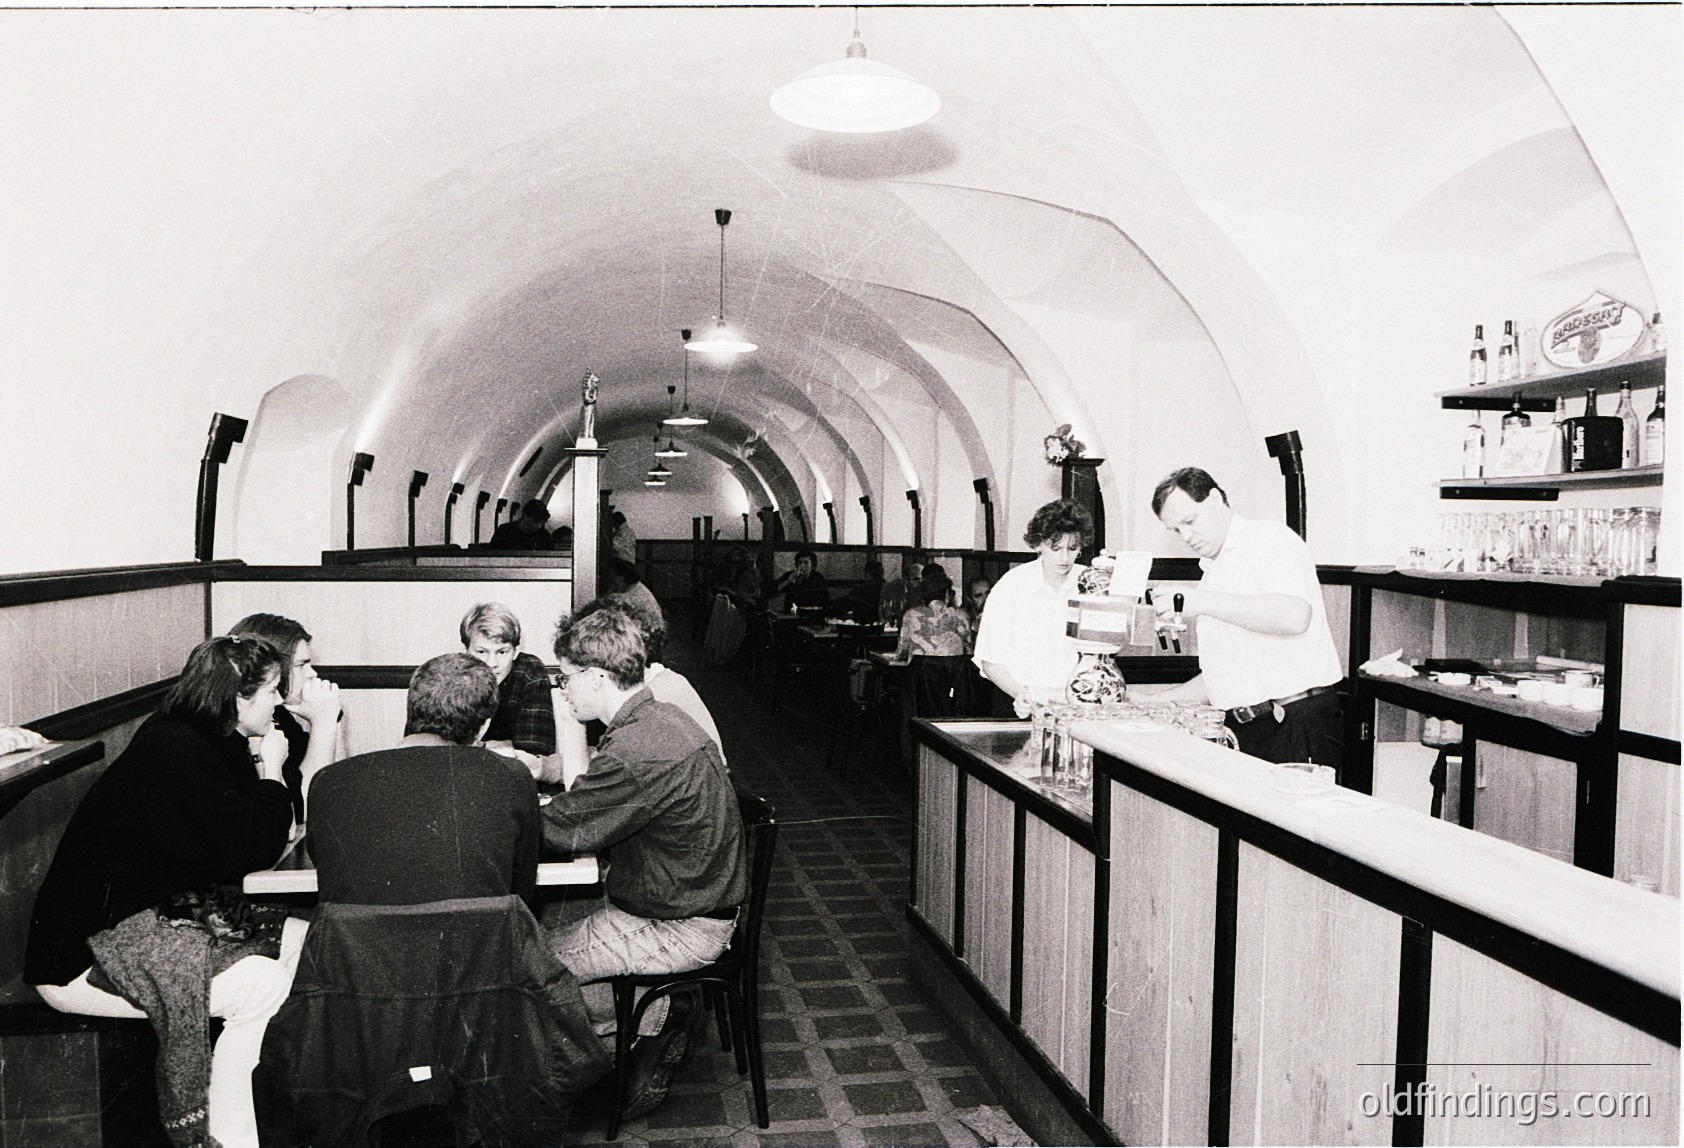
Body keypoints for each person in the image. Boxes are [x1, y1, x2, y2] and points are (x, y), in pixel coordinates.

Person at [25, 636, 304, 1148]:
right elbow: (253, 847)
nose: (280, 702)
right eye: (272, 691)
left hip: (159, 913)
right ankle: (229, 1136)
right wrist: (272, 771)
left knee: (308, 940)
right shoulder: (176, 749)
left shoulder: (202, 736)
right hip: (86, 950)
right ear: (236, 698)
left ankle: (265, 1108)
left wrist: (275, 765)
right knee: (262, 983)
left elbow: (261, 829)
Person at [542, 607, 746, 1110]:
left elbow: (561, 830)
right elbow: (588, 808)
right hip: (686, 901)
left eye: (565, 677)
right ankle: (655, 1013)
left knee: (530, 968)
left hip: (680, 925)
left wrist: (490, 813)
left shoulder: (640, 746)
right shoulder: (655, 715)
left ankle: (653, 1019)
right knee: (544, 945)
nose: (563, 690)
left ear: (595, 675)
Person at [307, 653, 541, 908]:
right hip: (478, 945)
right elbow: (521, 893)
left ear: (412, 708)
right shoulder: (512, 776)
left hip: (357, 947)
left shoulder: (329, 781)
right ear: (483, 726)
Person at [1149, 467, 1345, 769]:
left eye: (1189, 521)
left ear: (1214, 499)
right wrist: (1154, 702)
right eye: (1175, 530)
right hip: (1247, 728)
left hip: (1294, 723)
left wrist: (1201, 602)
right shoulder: (1214, 570)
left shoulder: (1268, 540)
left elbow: (1294, 617)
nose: (1185, 537)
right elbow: (1226, 674)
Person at [972, 499, 1090, 716]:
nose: (1065, 558)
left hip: (1075, 705)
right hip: (1019, 702)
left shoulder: (1090, 583)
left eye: (1072, 549)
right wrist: (1020, 694)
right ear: (1038, 545)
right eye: (1055, 548)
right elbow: (991, 660)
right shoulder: (1012, 586)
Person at [228, 613, 344, 826]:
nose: (312, 673)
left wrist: (332, 719)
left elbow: (337, 788)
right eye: (301, 665)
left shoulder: (281, 716)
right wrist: (323, 722)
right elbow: (307, 807)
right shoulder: (251, 723)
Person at [460, 601, 557, 769]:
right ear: (465, 650)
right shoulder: (447, 676)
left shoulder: (529, 671)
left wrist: (473, 748)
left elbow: (533, 751)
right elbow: (424, 749)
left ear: (516, 651)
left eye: (502, 652)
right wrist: (499, 748)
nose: (492, 663)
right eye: (481, 652)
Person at [891, 567, 972, 663]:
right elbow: (969, 650)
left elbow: (902, 652)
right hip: (954, 675)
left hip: (921, 675)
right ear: (947, 594)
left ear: (923, 595)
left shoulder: (911, 615)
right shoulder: (961, 615)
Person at [489, 498, 557, 550]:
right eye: (536, 521)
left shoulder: (544, 536)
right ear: (525, 516)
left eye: (541, 522)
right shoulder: (505, 532)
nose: (538, 526)